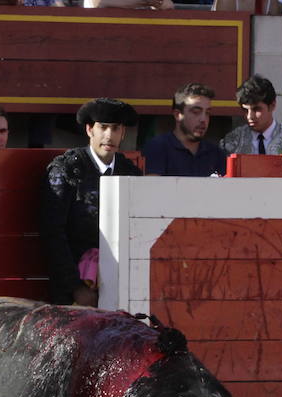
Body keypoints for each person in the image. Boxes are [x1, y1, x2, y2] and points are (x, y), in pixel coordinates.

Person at [41, 98, 142, 307]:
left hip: (119, 285)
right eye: (103, 127)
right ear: (90, 130)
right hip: (72, 290)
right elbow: (53, 232)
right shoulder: (66, 169)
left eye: (115, 129)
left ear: (123, 133)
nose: (109, 135)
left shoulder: (130, 172)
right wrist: (75, 287)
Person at [219, 75, 282, 157]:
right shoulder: (231, 143)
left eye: (256, 109)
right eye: (245, 110)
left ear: (272, 106)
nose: (249, 116)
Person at [142, 83, 226, 177]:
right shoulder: (157, 148)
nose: (203, 119)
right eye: (196, 112)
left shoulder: (215, 153)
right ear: (178, 115)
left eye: (207, 113)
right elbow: (151, 188)